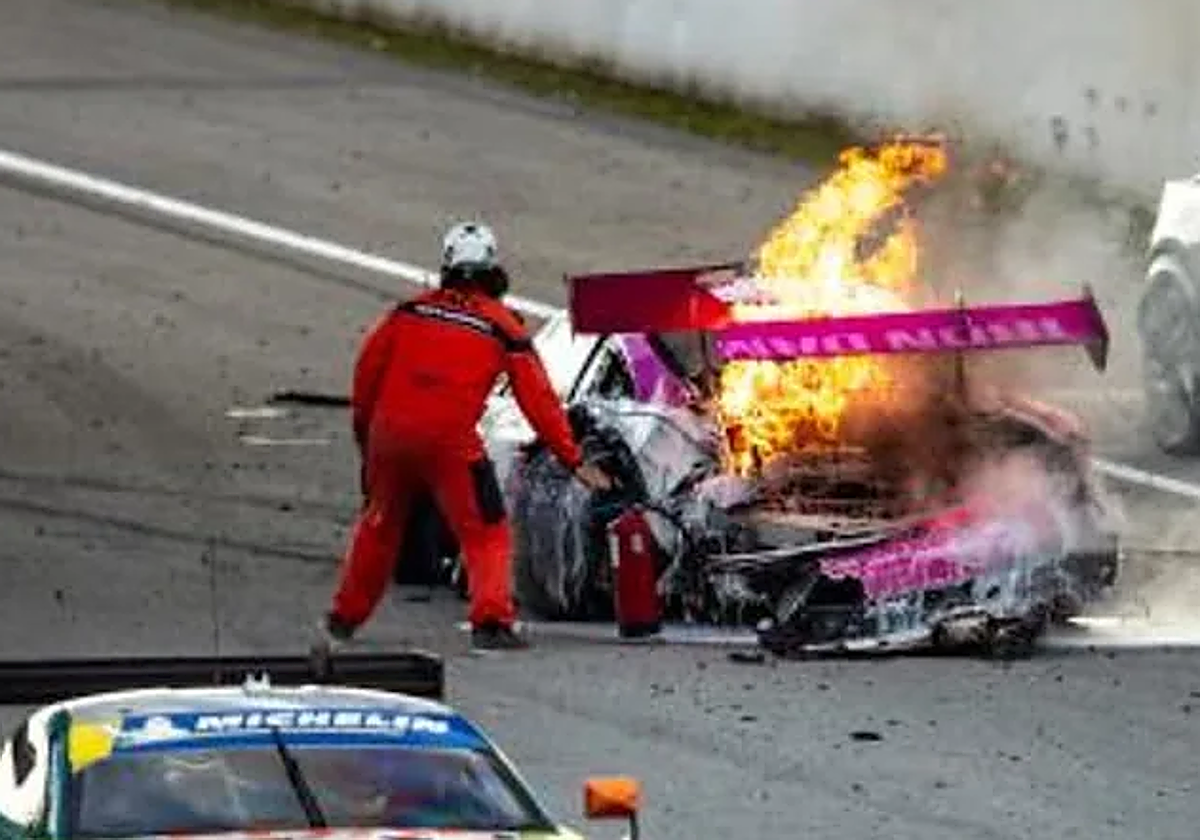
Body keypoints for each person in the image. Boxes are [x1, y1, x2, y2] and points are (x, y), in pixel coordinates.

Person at [311, 221, 612, 658]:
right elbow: (539, 401)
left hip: (388, 436)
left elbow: (366, 377)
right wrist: (572, 458)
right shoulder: (502, 327)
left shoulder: (408, 312)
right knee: (487, 530)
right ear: (492, 269)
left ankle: (342, 620)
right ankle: (490, 623)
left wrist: (367, 440)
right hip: (449, 443)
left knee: (379, 526)